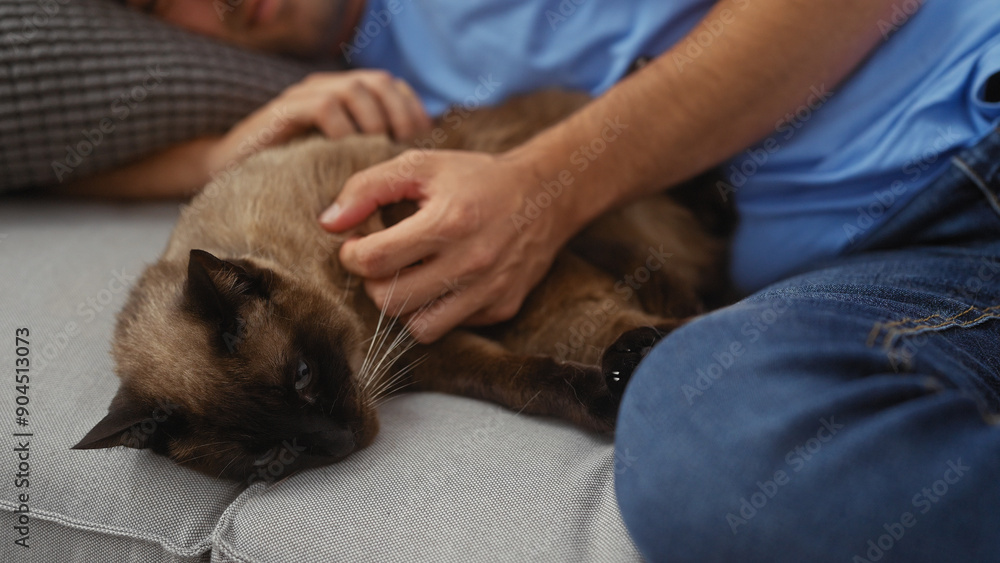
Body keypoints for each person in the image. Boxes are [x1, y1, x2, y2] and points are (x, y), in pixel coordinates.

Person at [102, 0, 1000, 560]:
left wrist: (550, 187)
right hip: (911, 282)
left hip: (974, 127)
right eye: (155, 4)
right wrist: (212, 151)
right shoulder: (369, 126)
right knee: (699, 441)